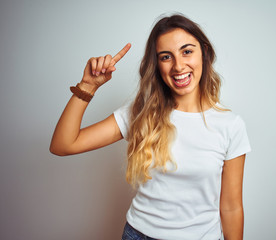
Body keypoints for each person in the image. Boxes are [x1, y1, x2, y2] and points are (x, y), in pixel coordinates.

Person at [50, 14, 251, 240]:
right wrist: (87, 86)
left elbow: (231, 207)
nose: (178, 66)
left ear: (203, 52)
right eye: (166, 57)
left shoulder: (230, 125)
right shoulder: (141, 113)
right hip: (139, 235)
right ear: (157, 64)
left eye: (187, 51)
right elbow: (63, 145)